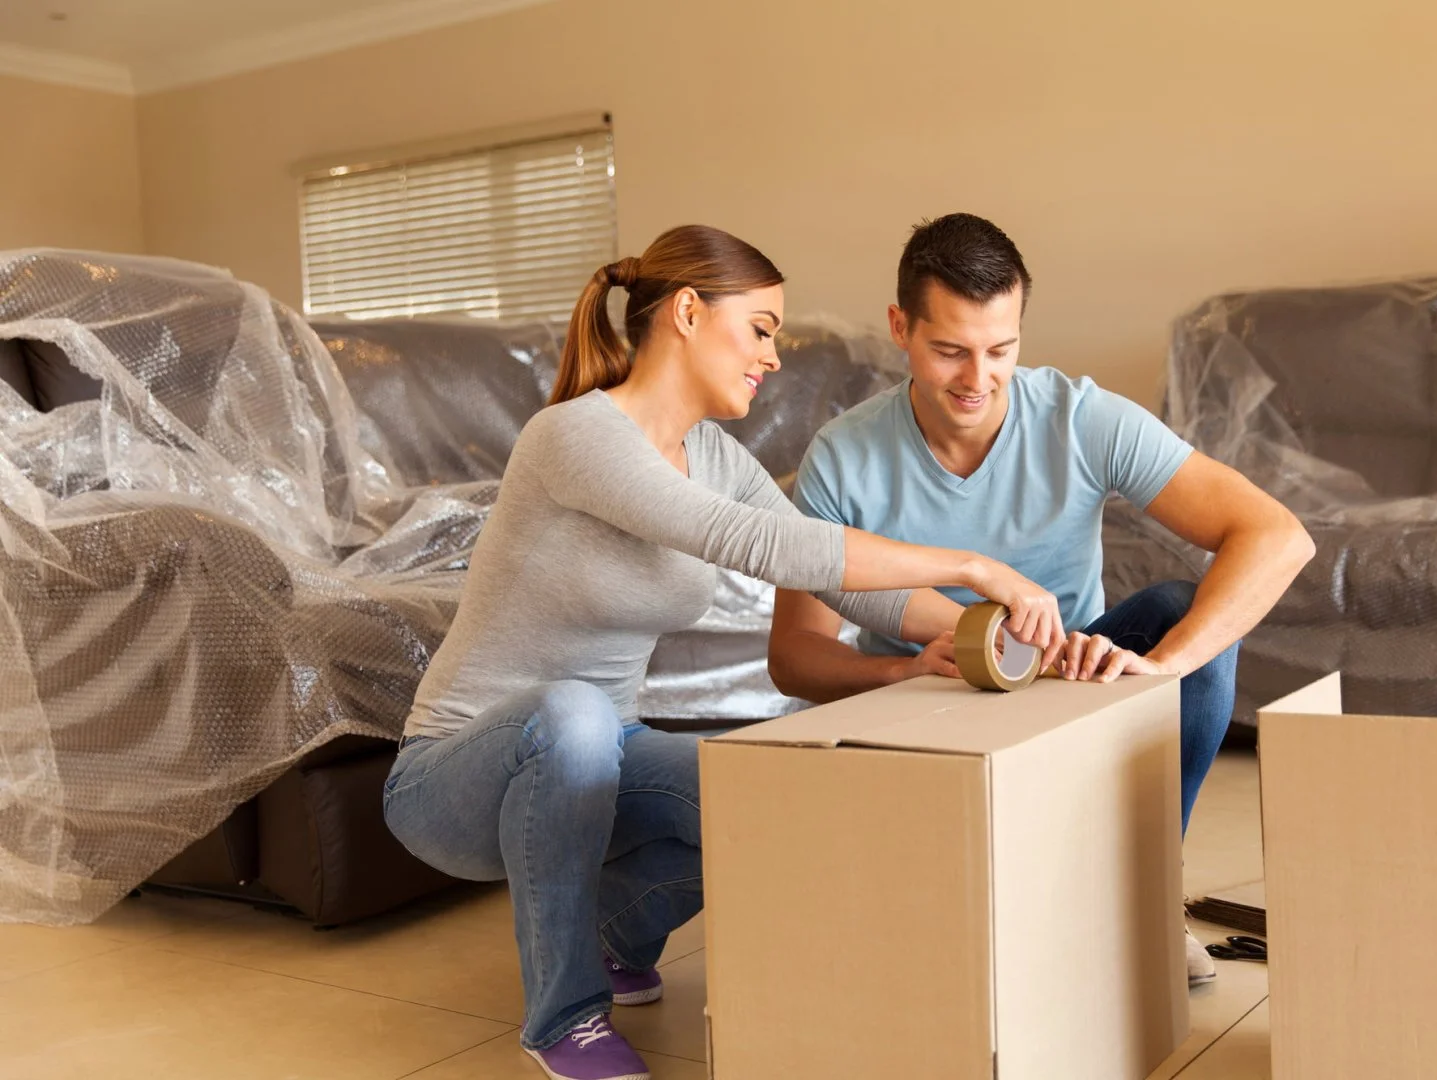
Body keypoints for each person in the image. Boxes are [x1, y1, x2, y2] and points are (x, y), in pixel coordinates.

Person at [381, 224, 1065, 1080]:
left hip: (602, 755)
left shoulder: (715, 457)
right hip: (453, 777)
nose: (771, 357)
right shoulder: (573, 438)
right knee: (573, 713)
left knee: (768, 796)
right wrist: (973, 564)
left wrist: (983, 629)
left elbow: (840, 578)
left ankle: (612, 939)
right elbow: (752, 543)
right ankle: (563, 1018)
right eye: (762, 329)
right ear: (690, 313)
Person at [767, 213, 1315, 986]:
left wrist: (1163, 670)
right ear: (900, 327)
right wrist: (903, 673)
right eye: (949, 350)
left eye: (1001, 349)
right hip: (922, 708)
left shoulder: (1079, 418)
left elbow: (1277, 535)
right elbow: (794, 658)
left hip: (1062, 683)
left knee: (1175, 607)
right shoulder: (845, 456)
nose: (977, 379)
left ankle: (1148, 894)